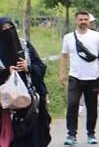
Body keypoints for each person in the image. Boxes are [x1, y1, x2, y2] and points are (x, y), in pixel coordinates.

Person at [59, 10, 99, 146]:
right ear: (76, 21)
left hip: (93, 76)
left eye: (85, 19)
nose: (83, 22)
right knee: (72, 104)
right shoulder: (68, 37)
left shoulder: (97, 36)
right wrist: (62, 73)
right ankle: (71, 134)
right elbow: (64, 56)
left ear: (89, 21)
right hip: (75, 76)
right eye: (80, 19)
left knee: (92, 106)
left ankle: (91, 133)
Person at [0, 17, 52, 147]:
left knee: (34, 137)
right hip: (6, 105)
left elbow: (41, 67)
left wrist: (28, 67)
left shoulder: (25, 46)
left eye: (10, 28)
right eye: (4, 29)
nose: (8, 31)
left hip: (29, 100)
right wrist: (6, 72)